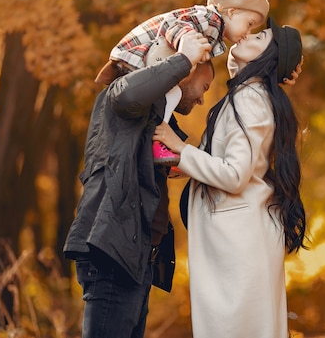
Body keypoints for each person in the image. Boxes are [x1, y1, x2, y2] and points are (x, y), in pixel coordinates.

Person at [152, 17, 308, 338]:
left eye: (261, 35)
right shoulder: (249, 94)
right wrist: (186, 164)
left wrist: (181, 148)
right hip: (239, 239)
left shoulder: (250, 99)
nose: (248, 33)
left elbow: (236, 175)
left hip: (238, 244)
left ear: (269, 56)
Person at [63, 30, 214, 338]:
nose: (201, 97)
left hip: (137, 255)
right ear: (183, 73)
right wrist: (184, 59)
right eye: (204, 86)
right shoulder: (119, 95)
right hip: (111, 251)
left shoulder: (153, 120)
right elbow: (132, 93)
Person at [94, 0, 271, 166]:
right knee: (174, 93)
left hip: (145, 60)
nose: (248, 32)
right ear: (232, 12)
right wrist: (186, 54)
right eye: (249, 24)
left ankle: (161, 141)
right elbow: (176, 29)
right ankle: (158, 140)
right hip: (138, 56)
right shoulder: (210, 19)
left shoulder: (212, 25)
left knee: (168, 94)